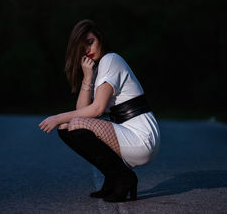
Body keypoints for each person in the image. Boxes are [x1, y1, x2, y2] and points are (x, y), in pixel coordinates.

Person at [38, 19, 160, 202]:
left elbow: (96, 110)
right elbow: (82, 111)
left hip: (142, 136)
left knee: (69, 123)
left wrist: (57, 116)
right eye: (82, 48)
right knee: (66, 127)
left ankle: (123, 178)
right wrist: (87, 76)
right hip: (125, 134)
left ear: (100, 38)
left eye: (90, 42)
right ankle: (113, 177)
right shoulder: (97, 69)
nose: (88, 50)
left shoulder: (111, 60)